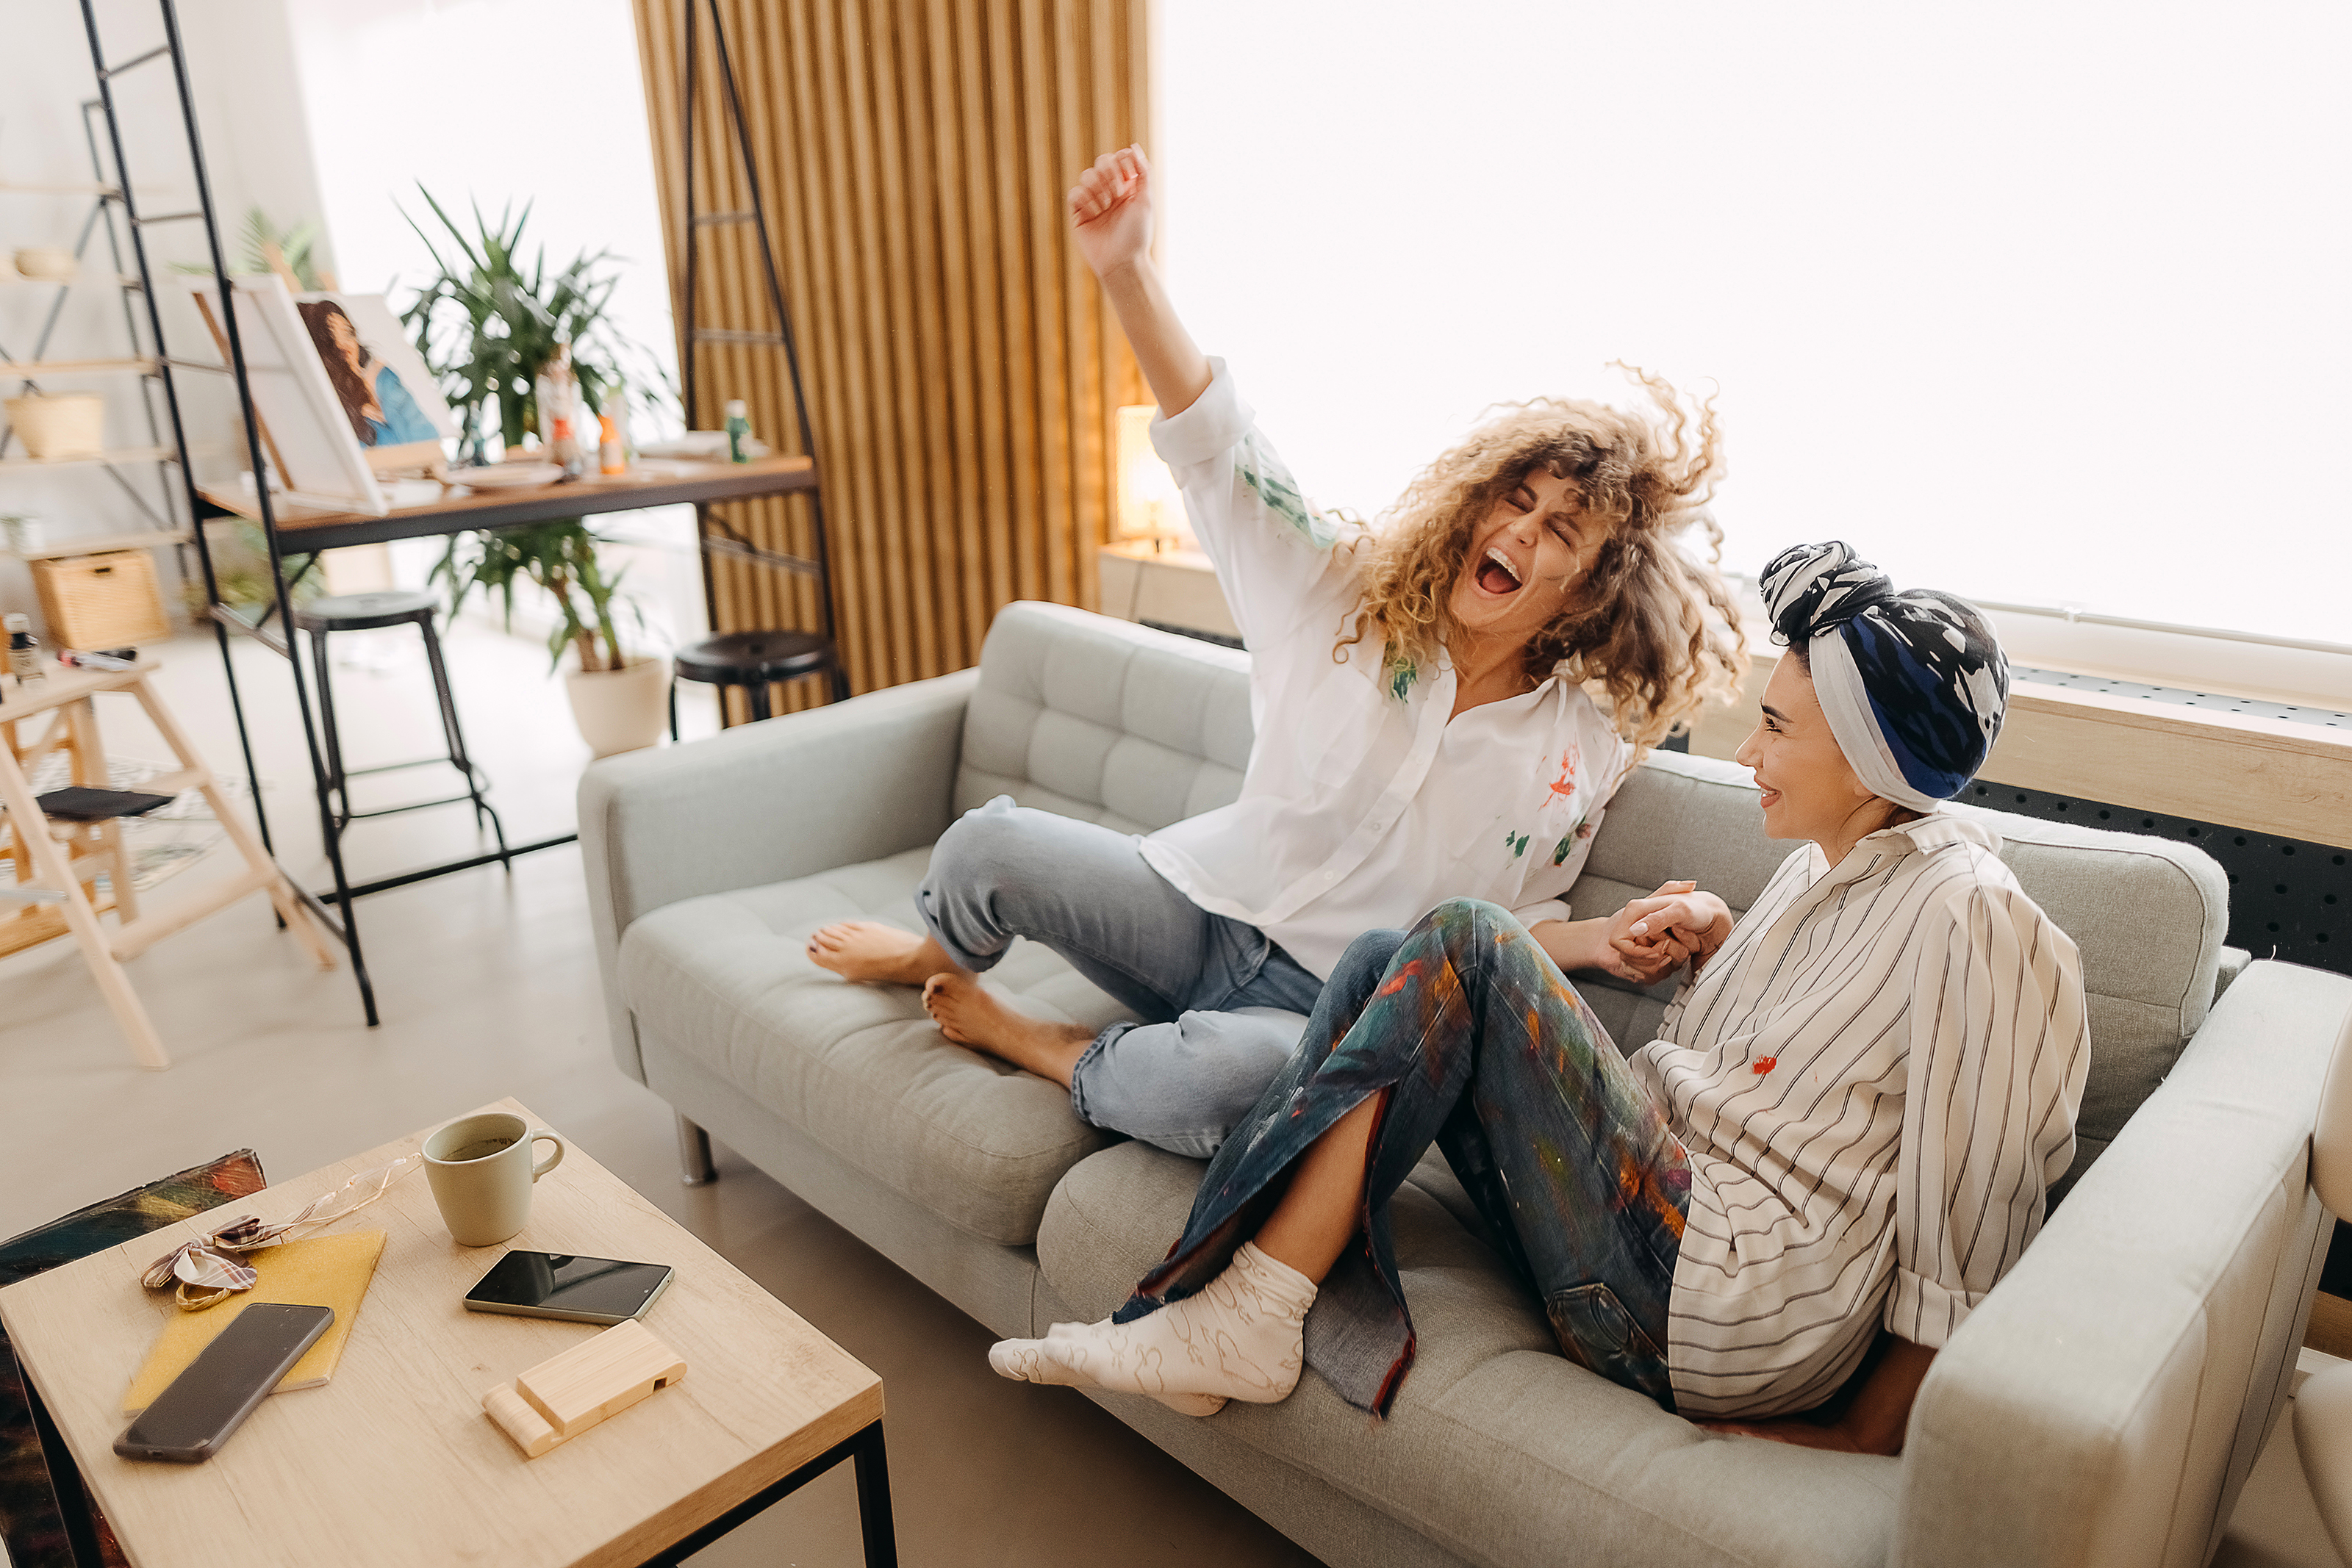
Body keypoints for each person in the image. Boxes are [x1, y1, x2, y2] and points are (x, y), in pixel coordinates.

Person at [988, 542, 2089, 1453]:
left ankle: (1246, 1311)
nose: (1750, 751)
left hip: (1712, 1300)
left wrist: (1868, 1433)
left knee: (1471, 934)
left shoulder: (1976, 914)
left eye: (1780, 729)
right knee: (1383, 953)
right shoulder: (1828, 865)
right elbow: (1815, 1055)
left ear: (1874, 757)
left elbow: (1973, 1207)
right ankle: (1222, 1301)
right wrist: (1720, 941)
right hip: (1653, 1227)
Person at [809, 144, 1746, 1158]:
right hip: (1199, 908)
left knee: (1228, 1085)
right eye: (1516, 501)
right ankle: (929, 953)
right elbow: (1220, 447)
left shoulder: (1580, 745)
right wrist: (1126, 268)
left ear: (1596, 586)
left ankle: (1054, 1048)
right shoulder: (1346, 592)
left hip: (1317, 1012)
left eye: (1562, 529)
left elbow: (1498, 932)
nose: (1521, 533)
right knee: (985, 847)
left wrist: (1614, 938)